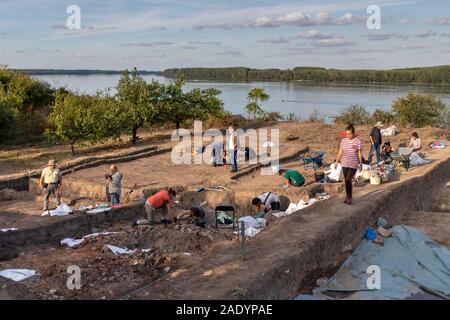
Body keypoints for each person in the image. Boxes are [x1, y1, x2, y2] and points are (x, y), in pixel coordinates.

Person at [335, 124, 363, 205]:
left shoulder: (358, 141)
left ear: (353, 133)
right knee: (346, 181)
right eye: (346, 134)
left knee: (348, 179)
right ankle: (347, 196)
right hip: (344, 163)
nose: (348, 136)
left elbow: (359, 153)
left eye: (349, 134)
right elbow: (340, 151)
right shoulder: (343, 141)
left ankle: (350, 197)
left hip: (354, 164)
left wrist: (360, 163)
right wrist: (337, 161)